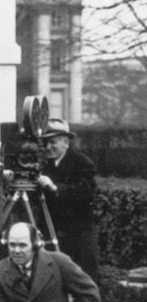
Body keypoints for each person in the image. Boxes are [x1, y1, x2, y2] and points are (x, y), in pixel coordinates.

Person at [37, 118, 99, 282]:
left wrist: (54, 187)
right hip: (53, 228)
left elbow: (85, 192)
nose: (48, 147)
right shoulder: (44, 165)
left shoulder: (82, 162)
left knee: (84, 273)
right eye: (45, 143)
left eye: (52, 142)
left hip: (79, 229)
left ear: (66, 142)